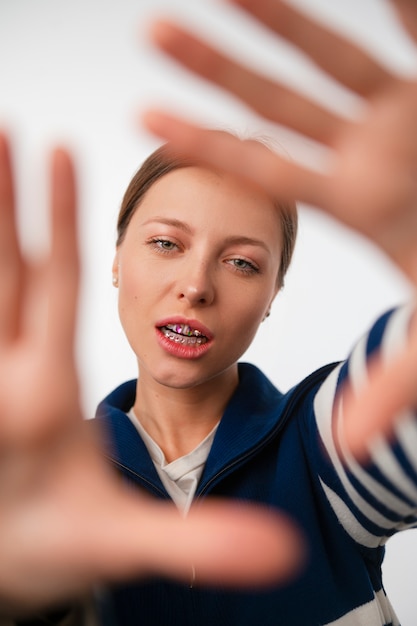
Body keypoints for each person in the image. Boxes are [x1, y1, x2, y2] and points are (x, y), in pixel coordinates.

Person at [1, 1, 417, 626]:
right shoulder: (45, 475)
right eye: (166, 243)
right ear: (117, 259)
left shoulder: (325, 444)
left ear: (274, 293)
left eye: (243, 263)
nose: (195, 286)